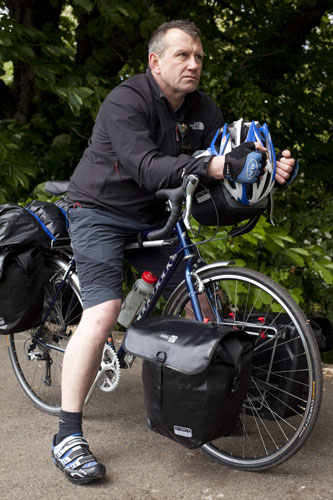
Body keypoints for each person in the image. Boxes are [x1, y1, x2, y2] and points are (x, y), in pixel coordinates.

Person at [51, 20, 296, 484]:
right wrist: (219, 164)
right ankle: (66, 435)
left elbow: (229, 155)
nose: (194, 65)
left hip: (152, 215)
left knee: (203, 301)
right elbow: (147, 166)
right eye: (183, 55)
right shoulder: (127, 100)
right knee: (102, 313)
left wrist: (267, 169)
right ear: (155, 61)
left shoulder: (203, 108)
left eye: (199, 57)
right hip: (98, 208)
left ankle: (209, 399)